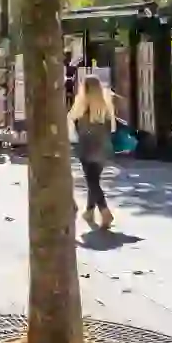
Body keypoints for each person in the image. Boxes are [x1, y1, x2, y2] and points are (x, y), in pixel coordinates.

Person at [68, 74, 116, 230]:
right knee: (94, 180)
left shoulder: (81, 107)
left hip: (87, 148)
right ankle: (89, 211)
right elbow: (111, 128)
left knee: (92, 181)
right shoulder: (106, 107)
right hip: (103, 148)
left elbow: (73, 123)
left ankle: (105, 211)